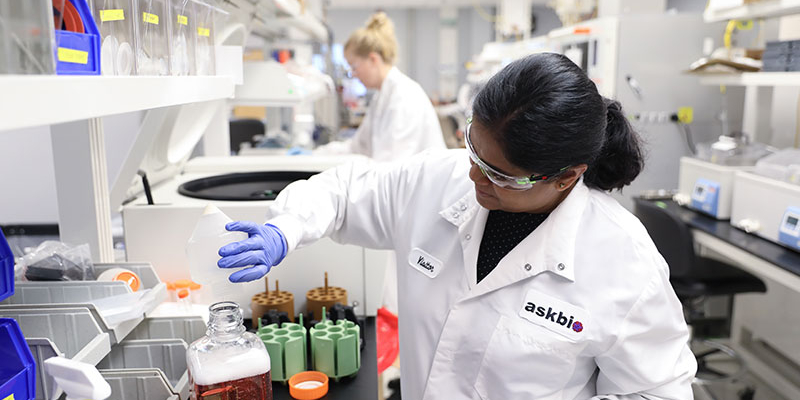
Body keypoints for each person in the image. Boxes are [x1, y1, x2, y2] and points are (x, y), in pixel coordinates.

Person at [218, 53, 696, 399]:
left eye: (500, 175)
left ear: (567, 175)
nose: (472, 177)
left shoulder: (623, 261)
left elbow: (658, 393)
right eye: (473, 151)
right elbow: (343, 192)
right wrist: (287, 228)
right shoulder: (438, 181)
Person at [310, 12, 446, 161]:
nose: (353, 74)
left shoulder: (404, 96)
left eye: (354, 67)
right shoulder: (381, 96)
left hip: (421, 183)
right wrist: (316, 154)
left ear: (373, 59)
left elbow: (393, 163)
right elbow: (358, 147)